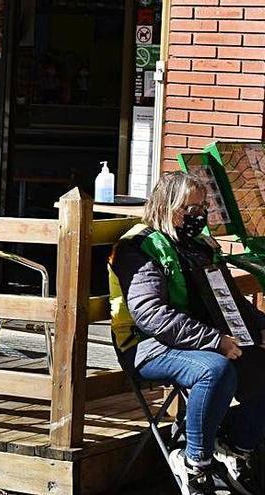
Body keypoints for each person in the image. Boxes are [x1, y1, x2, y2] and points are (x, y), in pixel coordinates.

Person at [109, 171, 265, 495]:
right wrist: (215, 341)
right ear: (166, 207)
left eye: (203, 207)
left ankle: (235, 443)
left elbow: (231, 301)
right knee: (214, 370)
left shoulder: (198, 246)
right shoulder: (138, 248)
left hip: (198, 341)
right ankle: (194, 462)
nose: (199, 216)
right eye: (190, 208)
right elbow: (151, 315)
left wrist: (259, 328)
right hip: (146, 345)